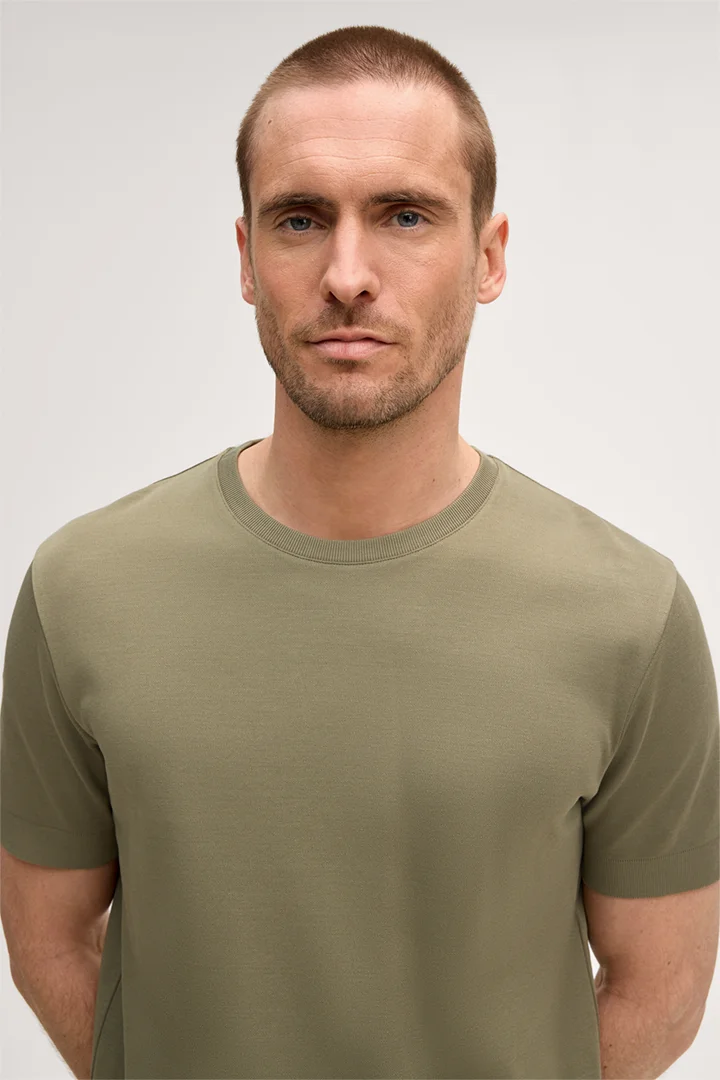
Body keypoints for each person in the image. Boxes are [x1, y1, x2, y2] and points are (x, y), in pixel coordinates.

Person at [1, 24, 718, 1080]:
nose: (347, 275)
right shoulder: (83, 594)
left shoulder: (631, 617)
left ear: (488, 256)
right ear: (246, 259)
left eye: (404, 215)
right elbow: (48, 938)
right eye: (300, 218)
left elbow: (662, 987)